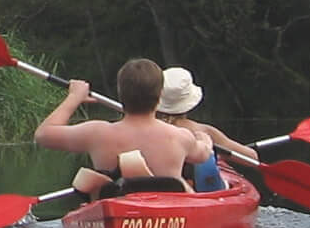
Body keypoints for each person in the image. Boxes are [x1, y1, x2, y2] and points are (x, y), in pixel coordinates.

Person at [34, 57, 213, 197]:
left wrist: (74, 97)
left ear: (120, 93)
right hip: (167, 216)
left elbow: (43, 135)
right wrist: (203, 139)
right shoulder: (180, 137)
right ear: (160, 97)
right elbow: (203, 154)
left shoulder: (97, 133)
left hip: (117, 214)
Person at [155, 66, 259, 191]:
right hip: (194, 192)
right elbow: (251, 157)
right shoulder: (203, 131)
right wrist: (219, 153)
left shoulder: (144, 128)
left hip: (158, 190)